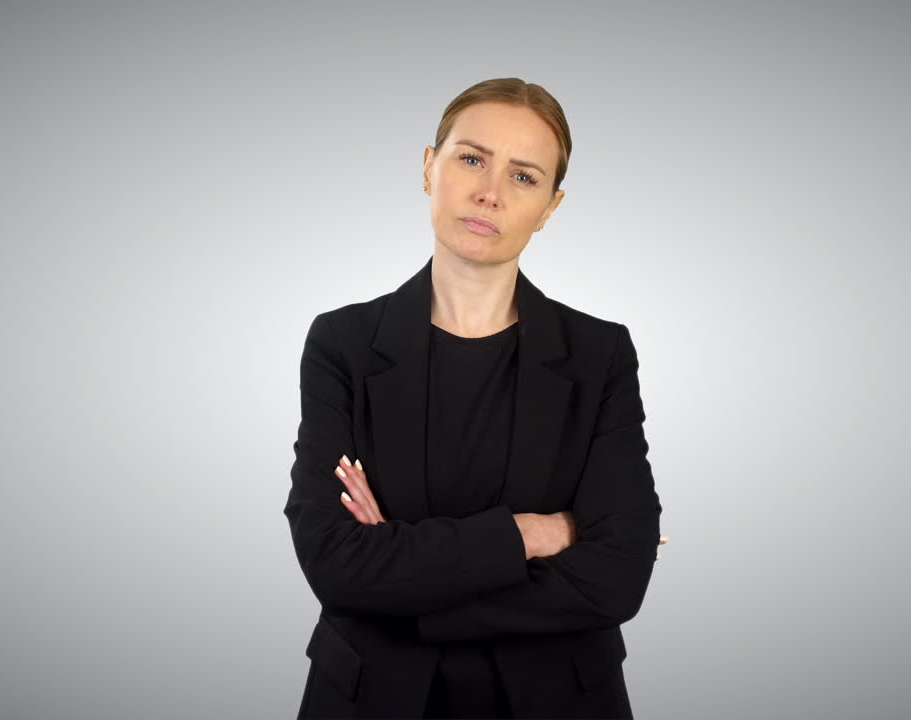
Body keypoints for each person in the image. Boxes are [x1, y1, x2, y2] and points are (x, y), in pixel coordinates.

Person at [285, 77, 667, 719]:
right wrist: (531, 535)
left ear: (550, 206)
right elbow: (333, 560)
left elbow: (618, 576)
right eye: (471, 159)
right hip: (373, 700)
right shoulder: (343, 344)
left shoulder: (600, 354)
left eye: (524, 177)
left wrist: (404, 577)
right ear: (429, 167)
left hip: (558, 702)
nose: (490, 191)